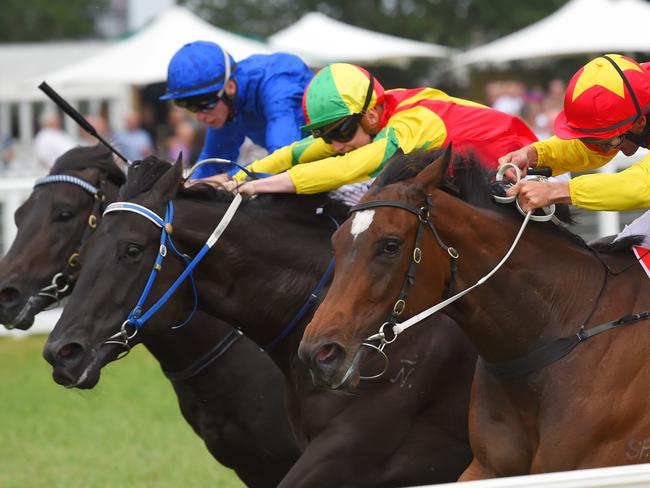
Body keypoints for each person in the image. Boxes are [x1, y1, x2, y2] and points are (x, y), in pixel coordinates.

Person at [225, 62, 538, 200]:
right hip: (472, 178)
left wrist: (260, 186)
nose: (335, 145)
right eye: (326, 136)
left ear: (371, 114)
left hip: (528, 170)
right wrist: (239, 178)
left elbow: (354, 166)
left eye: (341, 133)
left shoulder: (413, 121)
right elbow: (295, 153)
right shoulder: (370, 114)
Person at [500, 54, 650, 215]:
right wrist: (533, 154)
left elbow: (643, 184)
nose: (604, 150)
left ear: (640, 122)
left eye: (609, 142)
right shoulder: (636, 91)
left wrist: (555, 191)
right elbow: (587, 148)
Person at [160, 40, 313, 180]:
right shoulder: (227, 104)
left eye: (204, 104)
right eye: (189, 106)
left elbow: (283, 163)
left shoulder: (279, 88)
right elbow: (209, 169)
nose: (199, 116)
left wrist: (227, 178)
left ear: (230, 87)